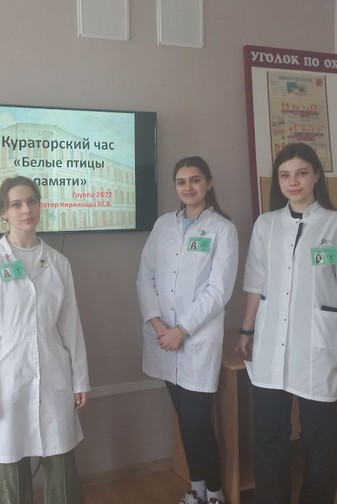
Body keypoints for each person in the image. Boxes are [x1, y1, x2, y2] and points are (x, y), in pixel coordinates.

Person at [235, 142, 337, 504]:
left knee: (320, 436)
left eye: (301, 173)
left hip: (319, 346)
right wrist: (246, 330)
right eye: (284, 175)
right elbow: (255, 283)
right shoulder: (266, 225)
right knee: (269, 435)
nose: (292, 182)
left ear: (316, 176)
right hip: (270, 343)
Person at [0, 176, 90, 504]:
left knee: (61, 463)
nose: (26, 210)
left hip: (54, 376)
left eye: (32, 201)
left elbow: (70, 326)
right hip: (6, 379)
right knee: (12, 467)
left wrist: (80, 379)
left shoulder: (58, 263)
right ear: (3, 212)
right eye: (16, 204)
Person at [136, 156, 238, 504]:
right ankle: (196, 491)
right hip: (163, 337)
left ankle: (215, 494)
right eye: (181, 182)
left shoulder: (222, 229)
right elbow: (145, 277)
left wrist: (181, 330)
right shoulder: (163, 225)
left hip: (196, 340)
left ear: (209, 182)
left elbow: (219, 291)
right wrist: (158, 324)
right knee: (185, 421)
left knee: (198, 423)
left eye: (195, 180)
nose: (188, 187)